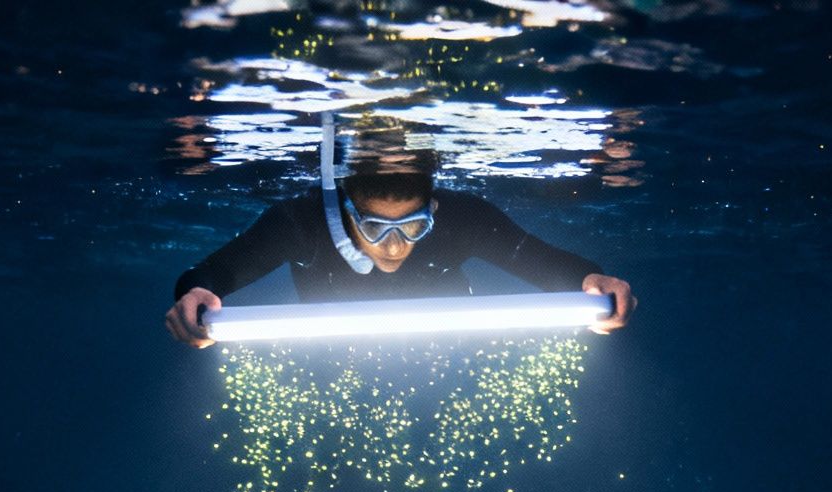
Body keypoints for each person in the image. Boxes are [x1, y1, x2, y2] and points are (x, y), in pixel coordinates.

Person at [165, 141, 636, 348]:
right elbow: (217, 272)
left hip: (446, 356)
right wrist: (194, 293)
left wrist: (590, 279)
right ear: (345, 211)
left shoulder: (464, 218)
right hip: (334, 357)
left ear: (433, 210)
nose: (393, 247)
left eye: (412, 227)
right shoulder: (300, 222)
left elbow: (535, 257)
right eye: (374, 228)